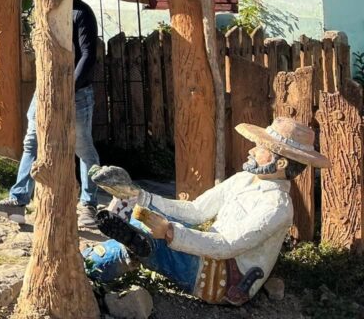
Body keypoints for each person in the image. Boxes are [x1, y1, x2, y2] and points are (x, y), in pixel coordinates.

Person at [84, 116, 329, 305]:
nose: (251, 150)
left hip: (225, 278)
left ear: (281, 163)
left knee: (147, 231)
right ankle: (133, 246)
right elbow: (197, 211)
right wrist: (137, 195)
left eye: (260, 148)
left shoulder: (276, 206)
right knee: (143, 222)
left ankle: (93, 266)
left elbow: (227, 246)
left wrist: (171, 232)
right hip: (210, 252)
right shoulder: (244, 179)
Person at [0, 0, 101, 227]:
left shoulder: (81, 12)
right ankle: (18, 201)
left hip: (76, 92)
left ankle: (88, 204)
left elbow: (88, 55)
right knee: (32, 142)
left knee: (83, 147)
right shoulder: (42, 11)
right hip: (45, 89)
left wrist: (67, 88)